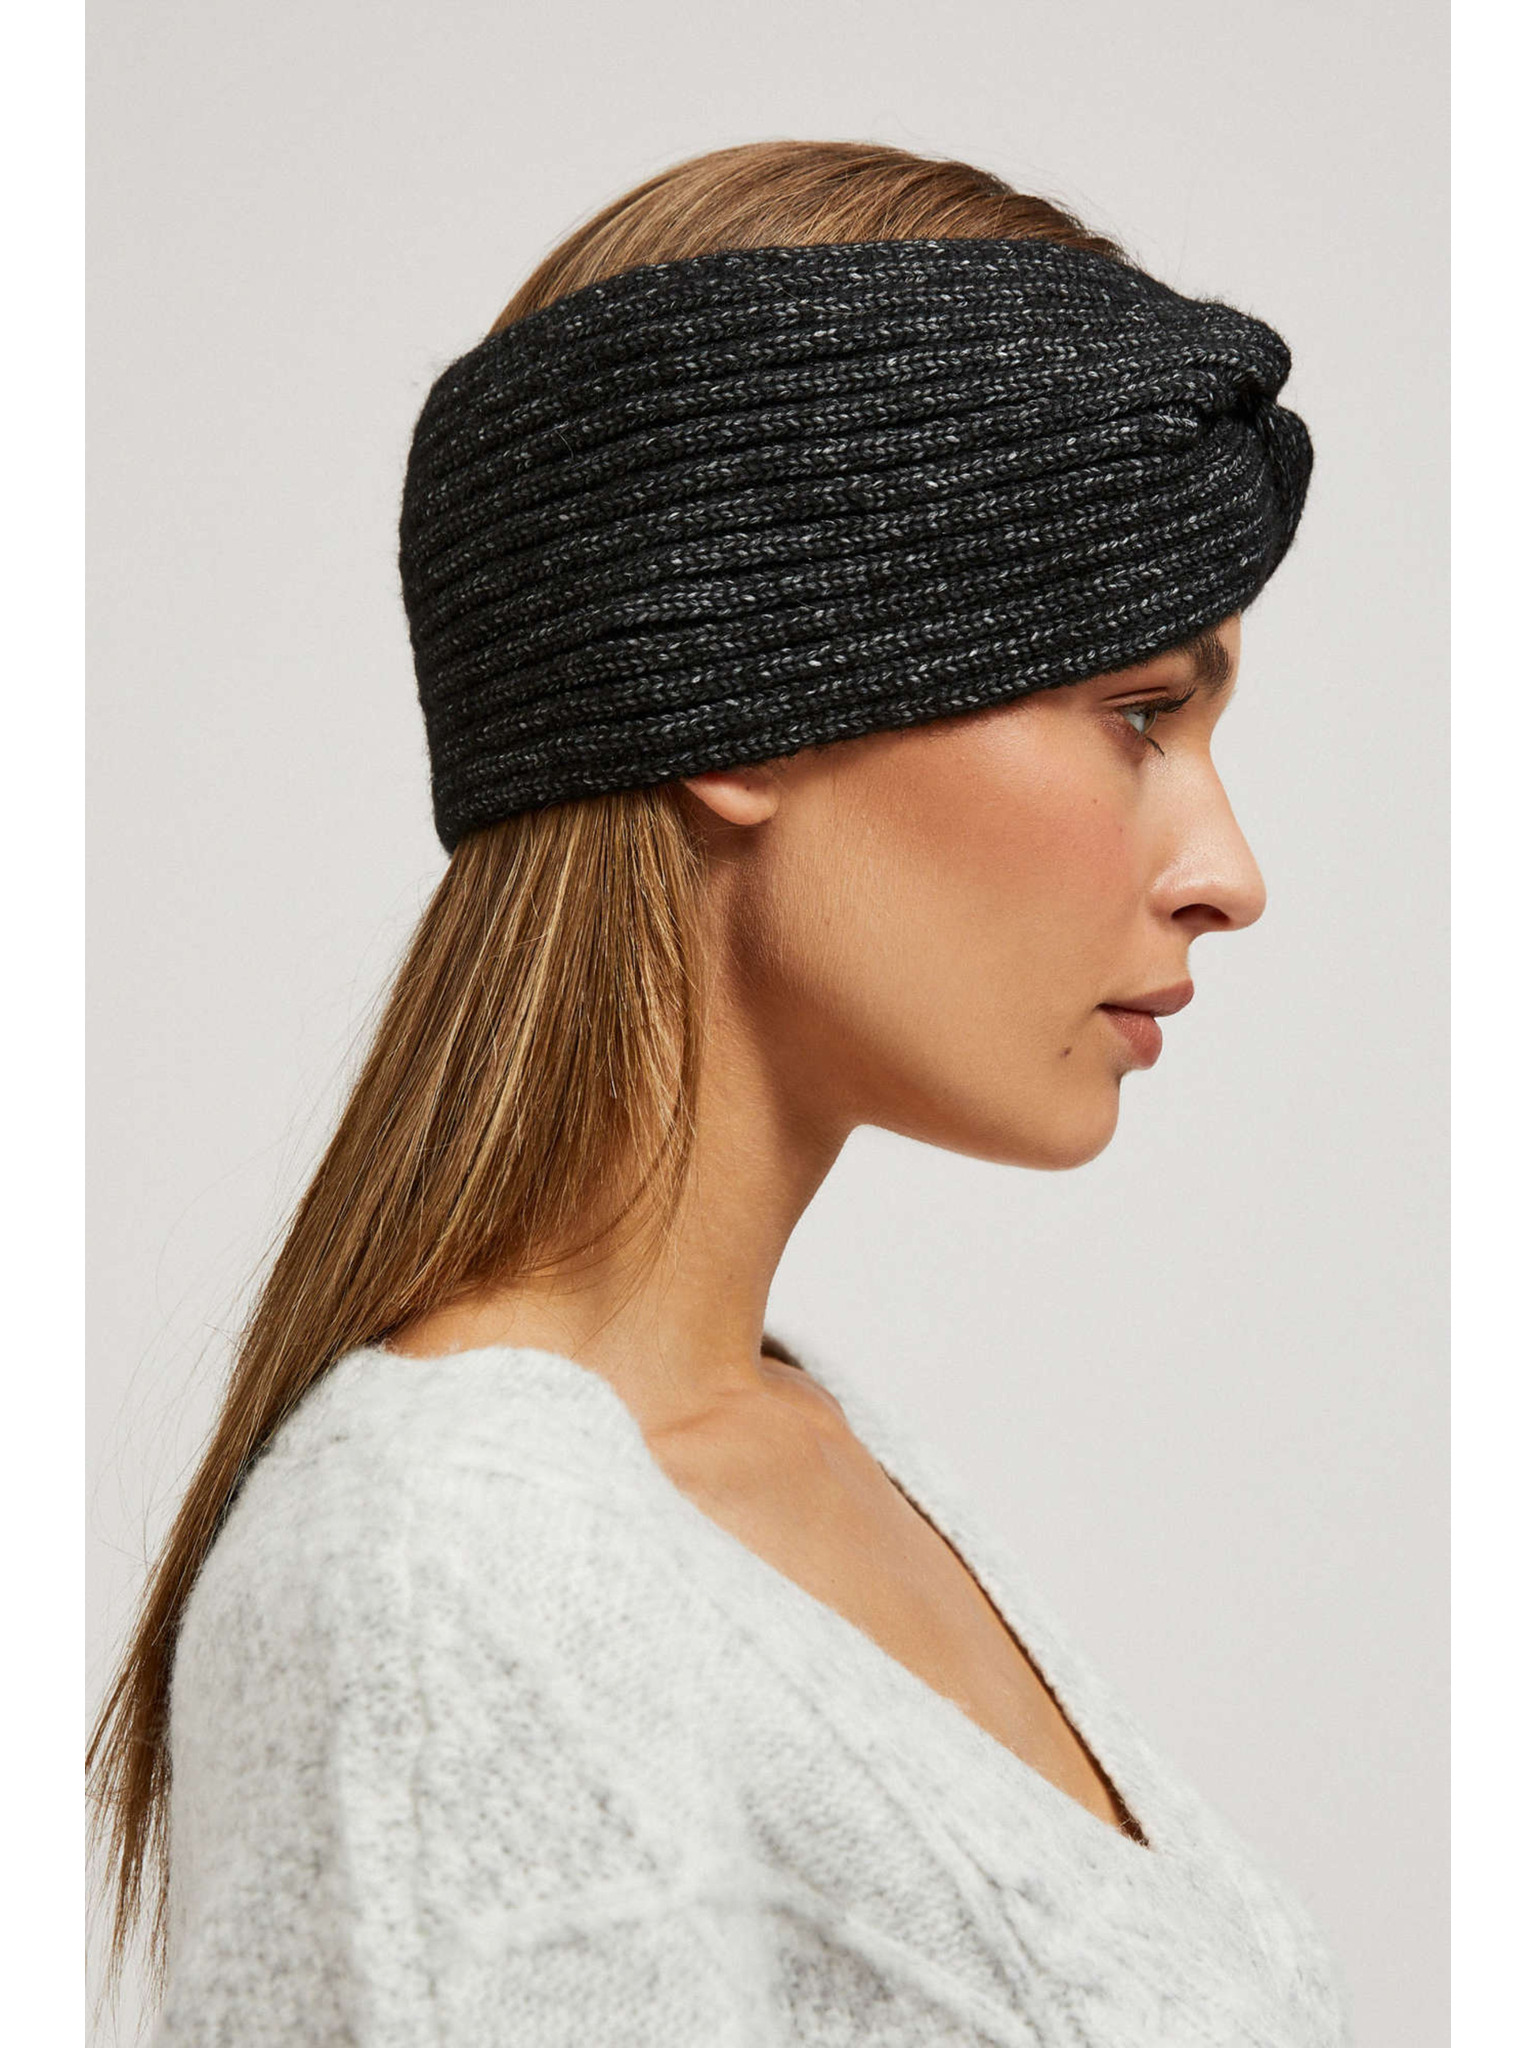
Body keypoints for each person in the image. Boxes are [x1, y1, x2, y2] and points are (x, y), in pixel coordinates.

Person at [89, 138, 1350, 2043]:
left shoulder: (789, 1443)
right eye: (1137, 714)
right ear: (738, 684)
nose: (1227, 874)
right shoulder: (454, 1571)